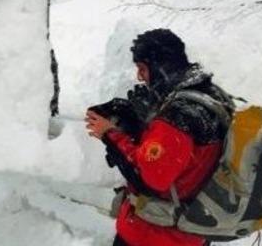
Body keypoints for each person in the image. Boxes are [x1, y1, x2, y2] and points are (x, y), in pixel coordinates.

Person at [85, 29, 234, 246]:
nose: (140, 77)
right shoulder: (211, 96)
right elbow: (186, 158)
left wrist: (110, 134)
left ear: (160, 66)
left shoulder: (178, 116)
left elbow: (148, 179)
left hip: (156, 236)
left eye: (143, 69)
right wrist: (138, 119)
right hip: (193, 230)